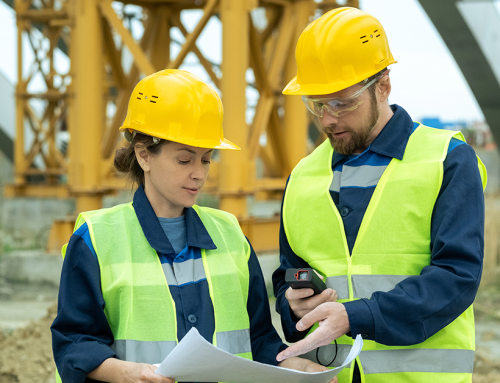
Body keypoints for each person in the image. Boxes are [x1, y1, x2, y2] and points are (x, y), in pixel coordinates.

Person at [51, 69, 335, 383]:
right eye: (185, 160)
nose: (199, 173)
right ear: (144, 156)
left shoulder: (230, 235)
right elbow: (74, 342)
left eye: (206, 159)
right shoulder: (95, 239)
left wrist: (294, 366)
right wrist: (126, 373)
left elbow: (258, 341)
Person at [272, 7, 487, 383]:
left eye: (341, 102)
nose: (328, 119)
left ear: (383, 85)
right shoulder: (303, 175)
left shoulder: (447, 159)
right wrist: (292, 305)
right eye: (317, 104)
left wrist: (356, 316)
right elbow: (288, 274)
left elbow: (457, 276)